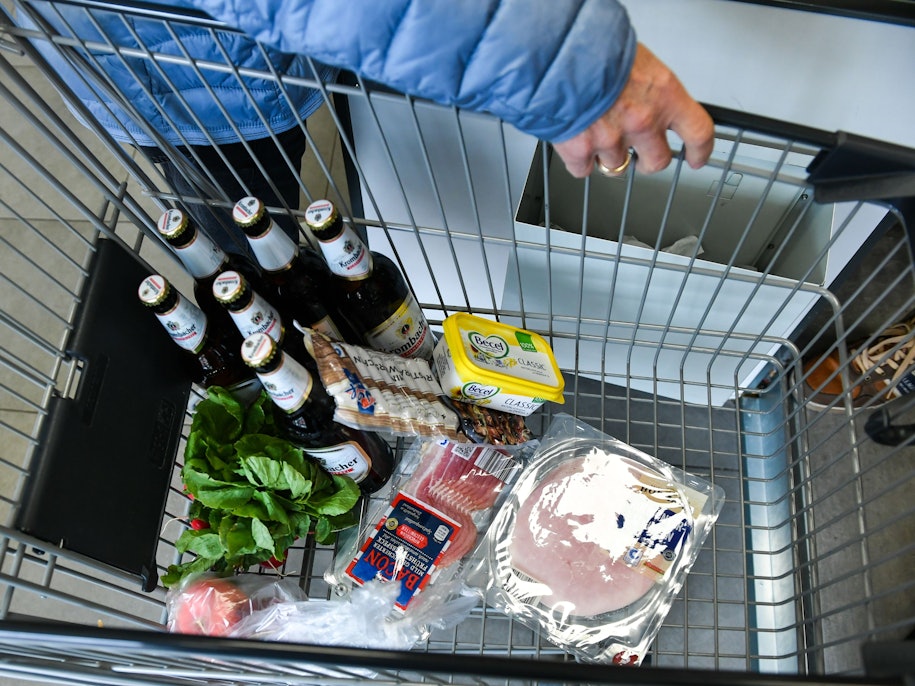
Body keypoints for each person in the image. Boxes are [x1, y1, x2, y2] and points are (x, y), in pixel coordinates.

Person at [28, 0, 713, 249]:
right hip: (184, 75)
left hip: (219, 52)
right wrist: (569, 63)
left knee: (253, 218)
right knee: (245, 233)